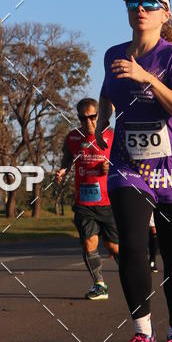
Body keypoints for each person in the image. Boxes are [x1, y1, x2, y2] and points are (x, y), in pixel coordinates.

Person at [95, 0, 172, 342]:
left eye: (150, 3)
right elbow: (108, 88)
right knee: (133, 248)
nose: (140, 8)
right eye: (134, 2)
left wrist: (147, 78)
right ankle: (142, 333)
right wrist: (103, 116)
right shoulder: (112, 55)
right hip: (128, 164)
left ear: (165, 14)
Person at [56, 98, 118, 300]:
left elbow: (126, 165)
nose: (89, 122)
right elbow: (67, 157)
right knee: (89, 243)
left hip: (109, 203)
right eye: (83, 119)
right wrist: (63, 170)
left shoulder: (112, 136)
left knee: (113, 247)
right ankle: (99, 285)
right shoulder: (73, 138)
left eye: (92, 117)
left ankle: (132, 277)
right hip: (84, 203)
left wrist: (111, 168)